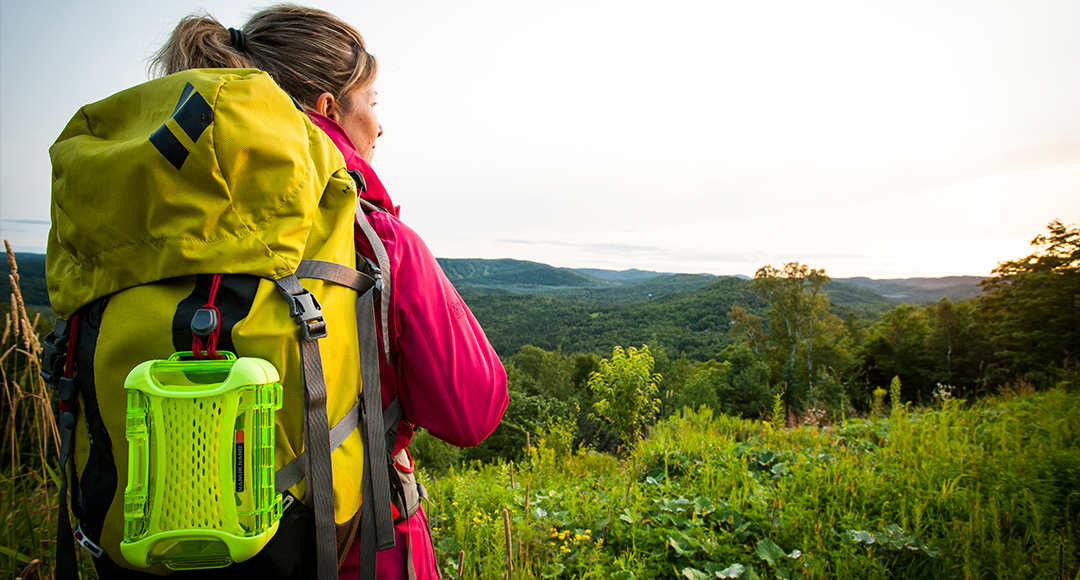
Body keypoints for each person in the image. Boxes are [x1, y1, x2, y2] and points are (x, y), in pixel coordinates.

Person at [150, 5, 509, 578]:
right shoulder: (371, 238)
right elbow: (474, 410)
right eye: (372, 102)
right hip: (351, 553)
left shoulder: (158, 227)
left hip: (168, 550)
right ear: (328, 110)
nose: (380, 125)